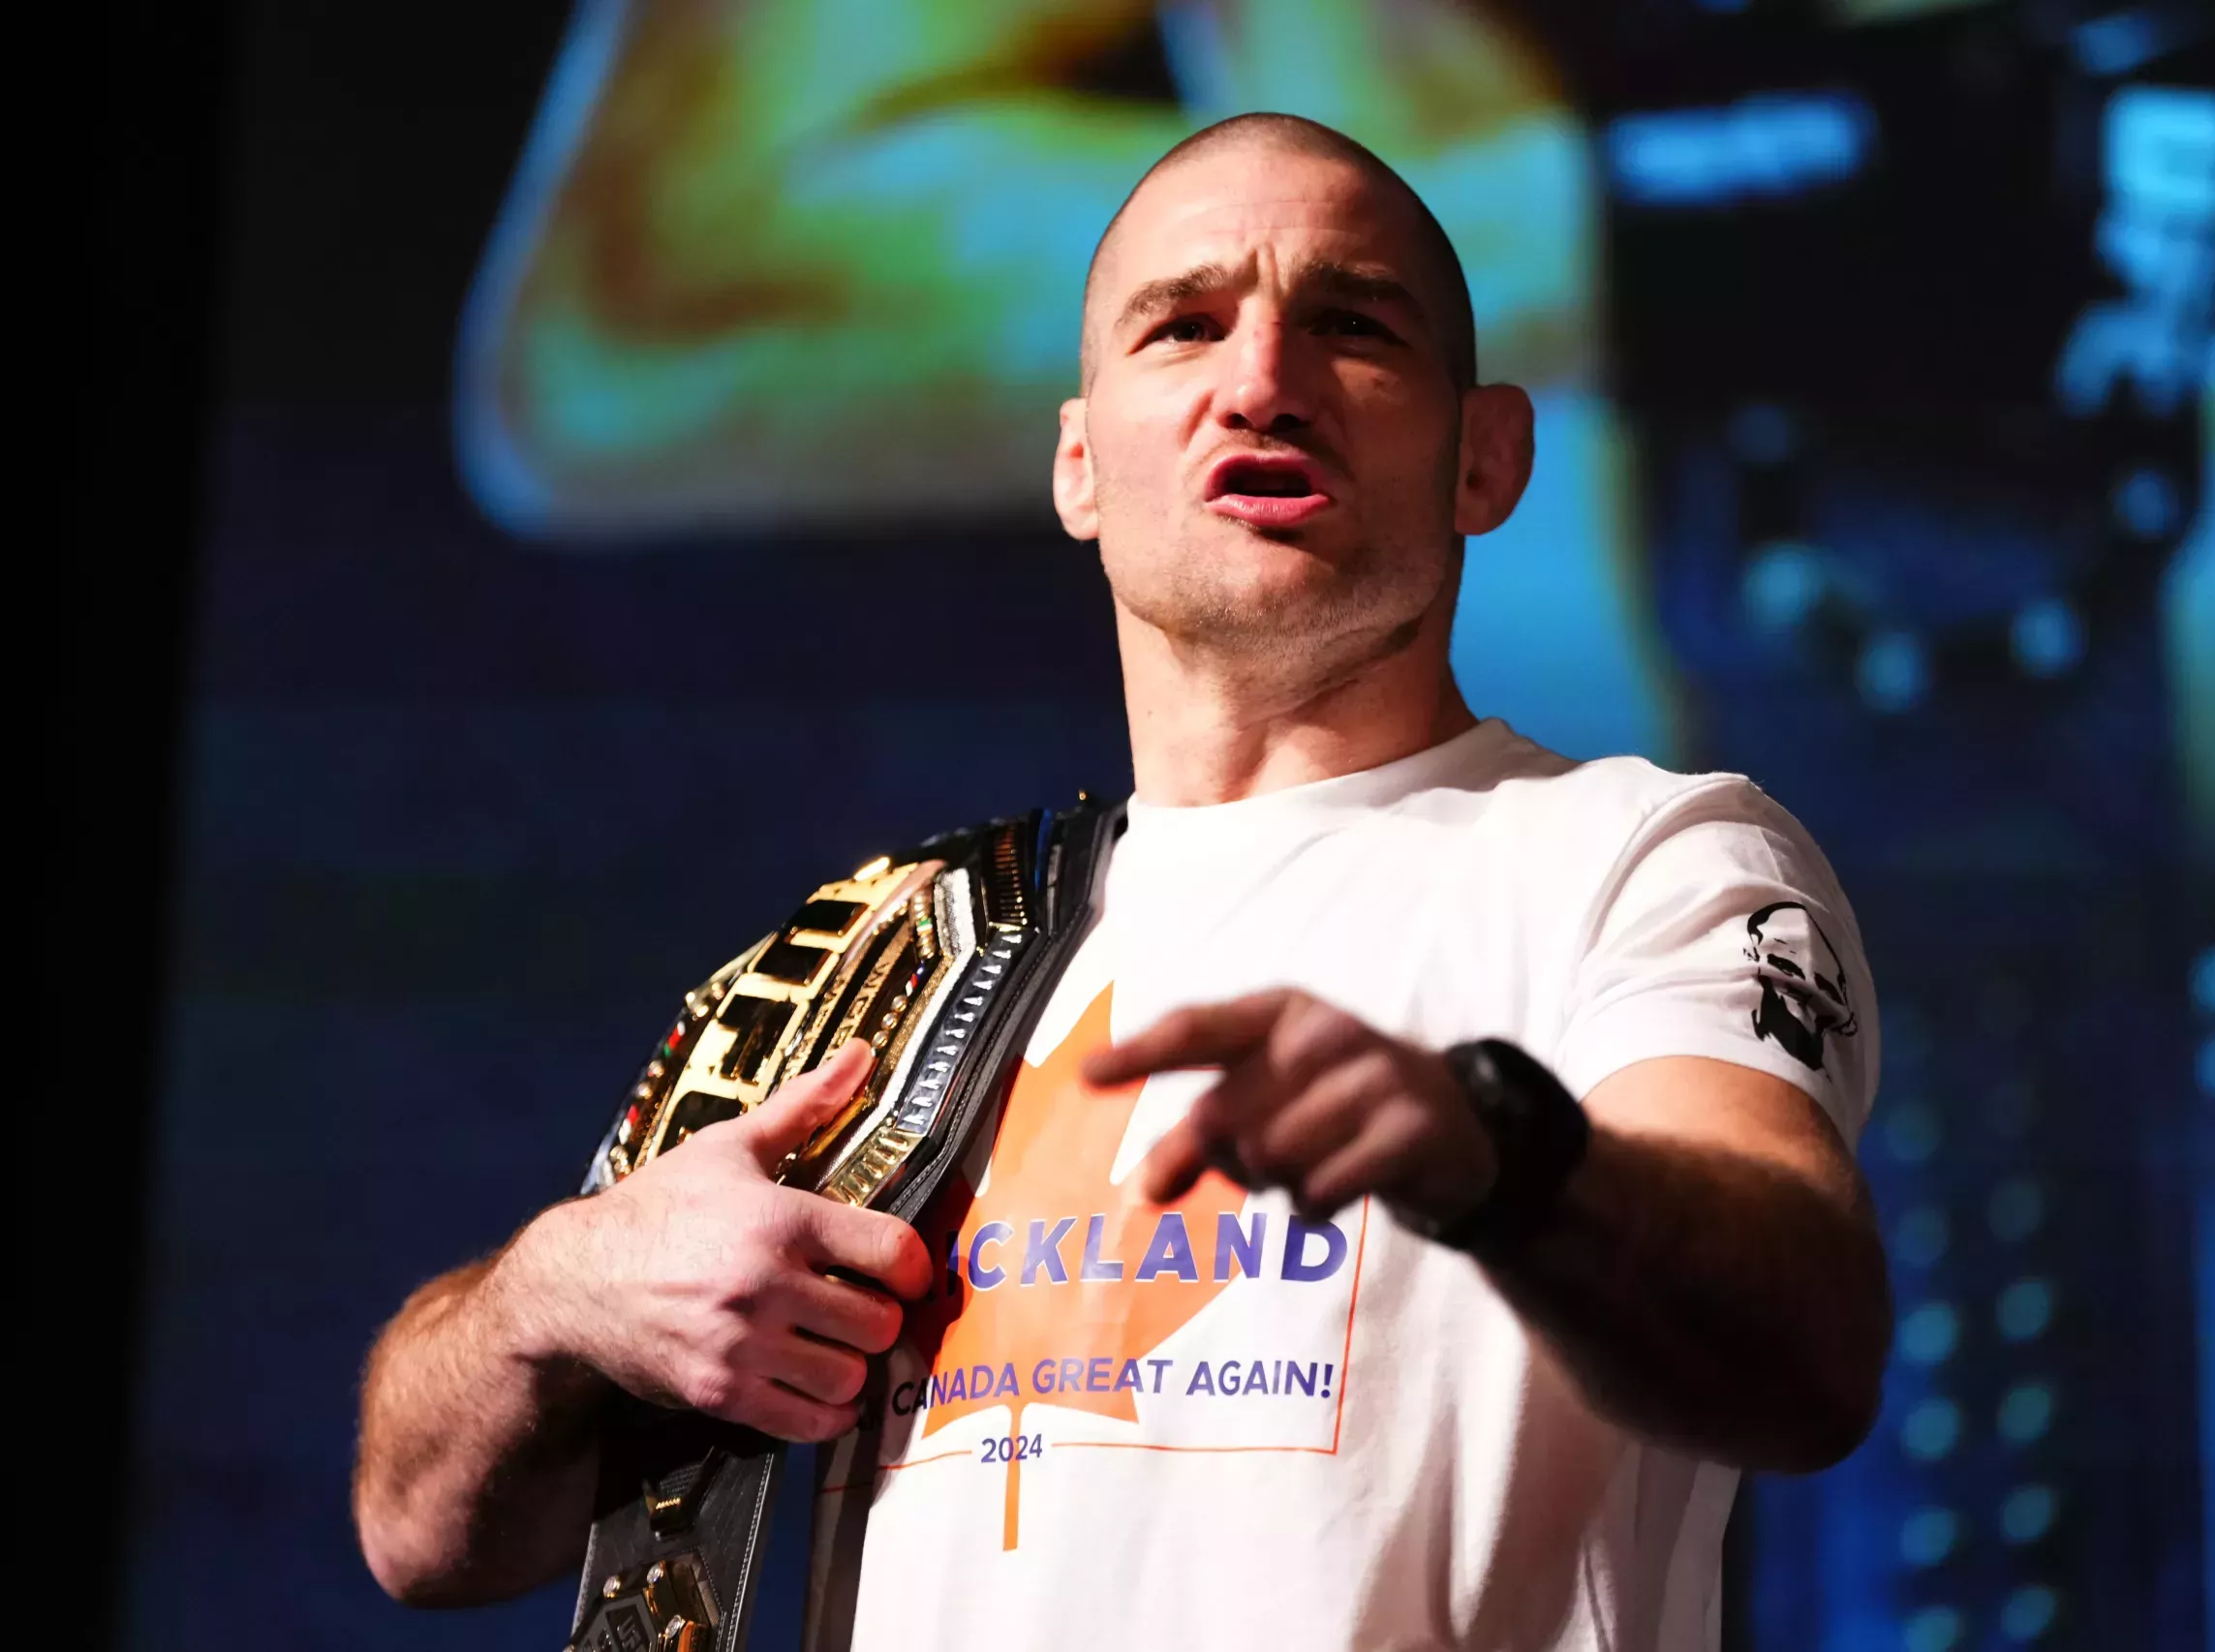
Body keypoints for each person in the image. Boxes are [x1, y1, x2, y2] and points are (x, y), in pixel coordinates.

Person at [355, 114, 1892, 1651]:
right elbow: (415, 1528)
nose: (1264, 380)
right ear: (1081, 465)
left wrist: (1496, 1145)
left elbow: (1806, 1346)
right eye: (1185, 325)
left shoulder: (1643, 856)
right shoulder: (890, 954)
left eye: (1352, 324)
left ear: (1487, 454)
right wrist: (557, 1289)